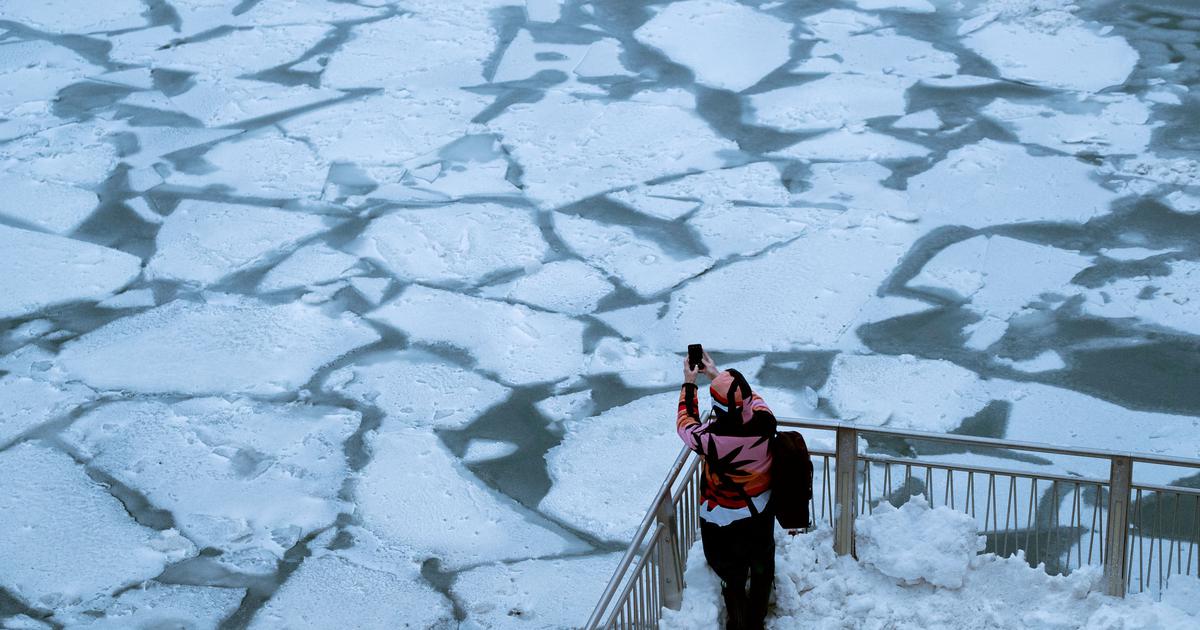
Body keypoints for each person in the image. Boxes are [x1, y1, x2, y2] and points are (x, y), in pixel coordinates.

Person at [677, 351, 777, 630]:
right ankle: (756, 619)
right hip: (761, 506)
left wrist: (689, 383)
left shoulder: (713, 439)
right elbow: (752, 398)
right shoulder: (765, 421)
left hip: (725, 515)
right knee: (761, 564)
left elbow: (685, 424)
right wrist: (716, 374)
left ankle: (738, 620)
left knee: (732, 571)